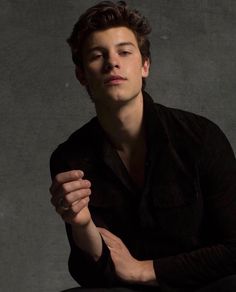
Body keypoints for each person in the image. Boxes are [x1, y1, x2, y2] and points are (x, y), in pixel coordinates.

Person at [49, 1, 236, 291]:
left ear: (144, 65)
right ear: (82, 75)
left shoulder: (201, 137)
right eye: (98, 55)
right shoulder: (70, 157)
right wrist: (82, 224)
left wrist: (145, 270)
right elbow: (94, 278)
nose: (113, 62)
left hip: (206, 284)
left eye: (124, 52)